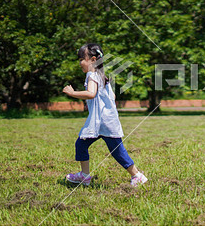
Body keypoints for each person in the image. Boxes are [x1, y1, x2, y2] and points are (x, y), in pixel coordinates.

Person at [62, 43, 147, 187]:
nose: (80, 63)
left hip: (103, 122)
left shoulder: (92, 74)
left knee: (117, 151)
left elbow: (91, 93)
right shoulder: (102, 76)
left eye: (82, 59)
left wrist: (72, 93)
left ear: (93, 60)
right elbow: (112, 97)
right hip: (102, 121)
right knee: (81, 144)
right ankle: (85, 176)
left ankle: (137, 175)